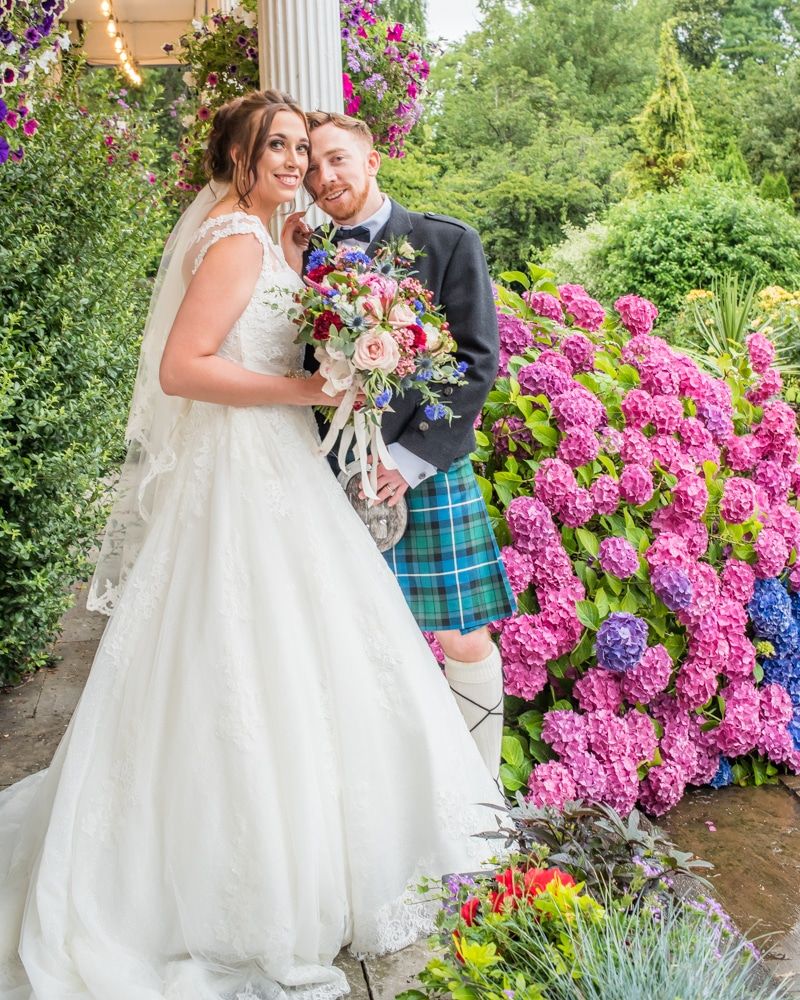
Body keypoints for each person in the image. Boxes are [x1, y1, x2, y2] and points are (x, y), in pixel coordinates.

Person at [0, 91, 503, 1000]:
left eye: (304, 149)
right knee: (240, 645)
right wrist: (307, 391)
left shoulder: (281, 240)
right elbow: (182, 368)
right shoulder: (237, 241)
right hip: (242, 471)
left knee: (302, 648)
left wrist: (344, 377)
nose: (298, 165)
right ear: (238, 155)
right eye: (278, 148)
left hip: (282, 468)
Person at [303, 111, 516, 781]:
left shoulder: (446, 242)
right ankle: (391, 794)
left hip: (423, 466)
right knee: (350, 642)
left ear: (372, 160)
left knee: (461, 633)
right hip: (327, 475)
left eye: (336, 159)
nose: (323, 176)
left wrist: (407, 460)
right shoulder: (299, 255)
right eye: (310, 167)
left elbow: (477, 362)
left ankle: (480, 792)